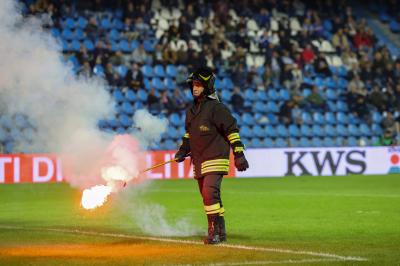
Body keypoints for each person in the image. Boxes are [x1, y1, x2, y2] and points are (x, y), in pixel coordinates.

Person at [174, 67, 249, 245]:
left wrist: (239, 154)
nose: (194, 88)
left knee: (209, 192)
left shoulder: (217, 108)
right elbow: (188, 135)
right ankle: (221, 231)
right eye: (193, 84)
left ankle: (213, 231)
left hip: (216, 156)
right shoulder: (192, 111)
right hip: (199, 160)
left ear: (207, 86)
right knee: (208, 196)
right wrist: (182, 151)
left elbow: (232, 131)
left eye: (198, 84)